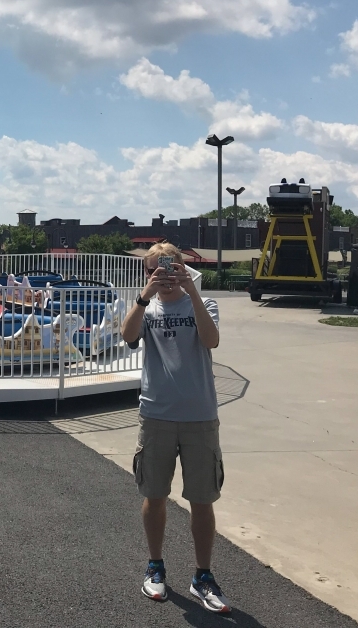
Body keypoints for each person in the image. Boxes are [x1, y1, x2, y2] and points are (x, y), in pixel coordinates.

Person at [120, 242, 229, 614]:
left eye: (169, 268)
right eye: (155, 269)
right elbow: (127, 336)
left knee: (202, 498)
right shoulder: (146, 306)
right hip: (156, 414)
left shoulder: (203, 303)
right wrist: (143, 296)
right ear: (148, 272)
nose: (163, 276)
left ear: (182, 268)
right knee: (154, 494)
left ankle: (202, 575)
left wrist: (192, 290)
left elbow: (211, 339)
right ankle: (155, 565)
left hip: (199, 415)